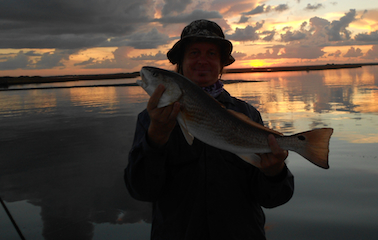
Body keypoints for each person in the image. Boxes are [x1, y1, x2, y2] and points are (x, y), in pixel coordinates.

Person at [124, 19, 294, 239]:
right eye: (194, 53)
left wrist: (274, 173)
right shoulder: (150, 120)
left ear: (221, 64)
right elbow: (141, 191)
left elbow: (273, 198)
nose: (202, 61)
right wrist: (155, 138)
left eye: (211, 54)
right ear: (181, 63)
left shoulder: (247, 114)